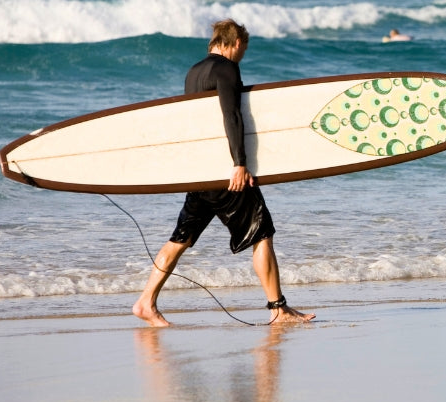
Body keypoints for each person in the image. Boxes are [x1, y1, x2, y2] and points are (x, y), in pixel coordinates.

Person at [133, 19, 315, 327]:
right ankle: (278, 308)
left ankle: (145, 302)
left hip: (201, 173)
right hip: (226, 173)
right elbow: (231, 115)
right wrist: (240, 164)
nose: (242, 55)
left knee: (180, 238)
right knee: (262, 232)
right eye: (243, 48)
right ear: (233, 44)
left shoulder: (193, 73)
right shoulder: (226, 69)